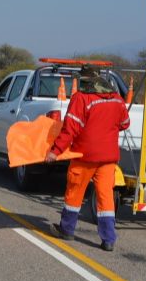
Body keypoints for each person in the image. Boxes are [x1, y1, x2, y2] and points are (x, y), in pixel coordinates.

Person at [46, 64, 130, 251]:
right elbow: (125, 123)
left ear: (84, 80)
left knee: (74, 193)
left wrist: (55, 151)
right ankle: (108, 239)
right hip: (108, 158)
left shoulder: (81, 98)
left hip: (84, 156)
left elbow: (70, 129)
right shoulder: (116, 99)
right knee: (105, 197)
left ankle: (67, 229)